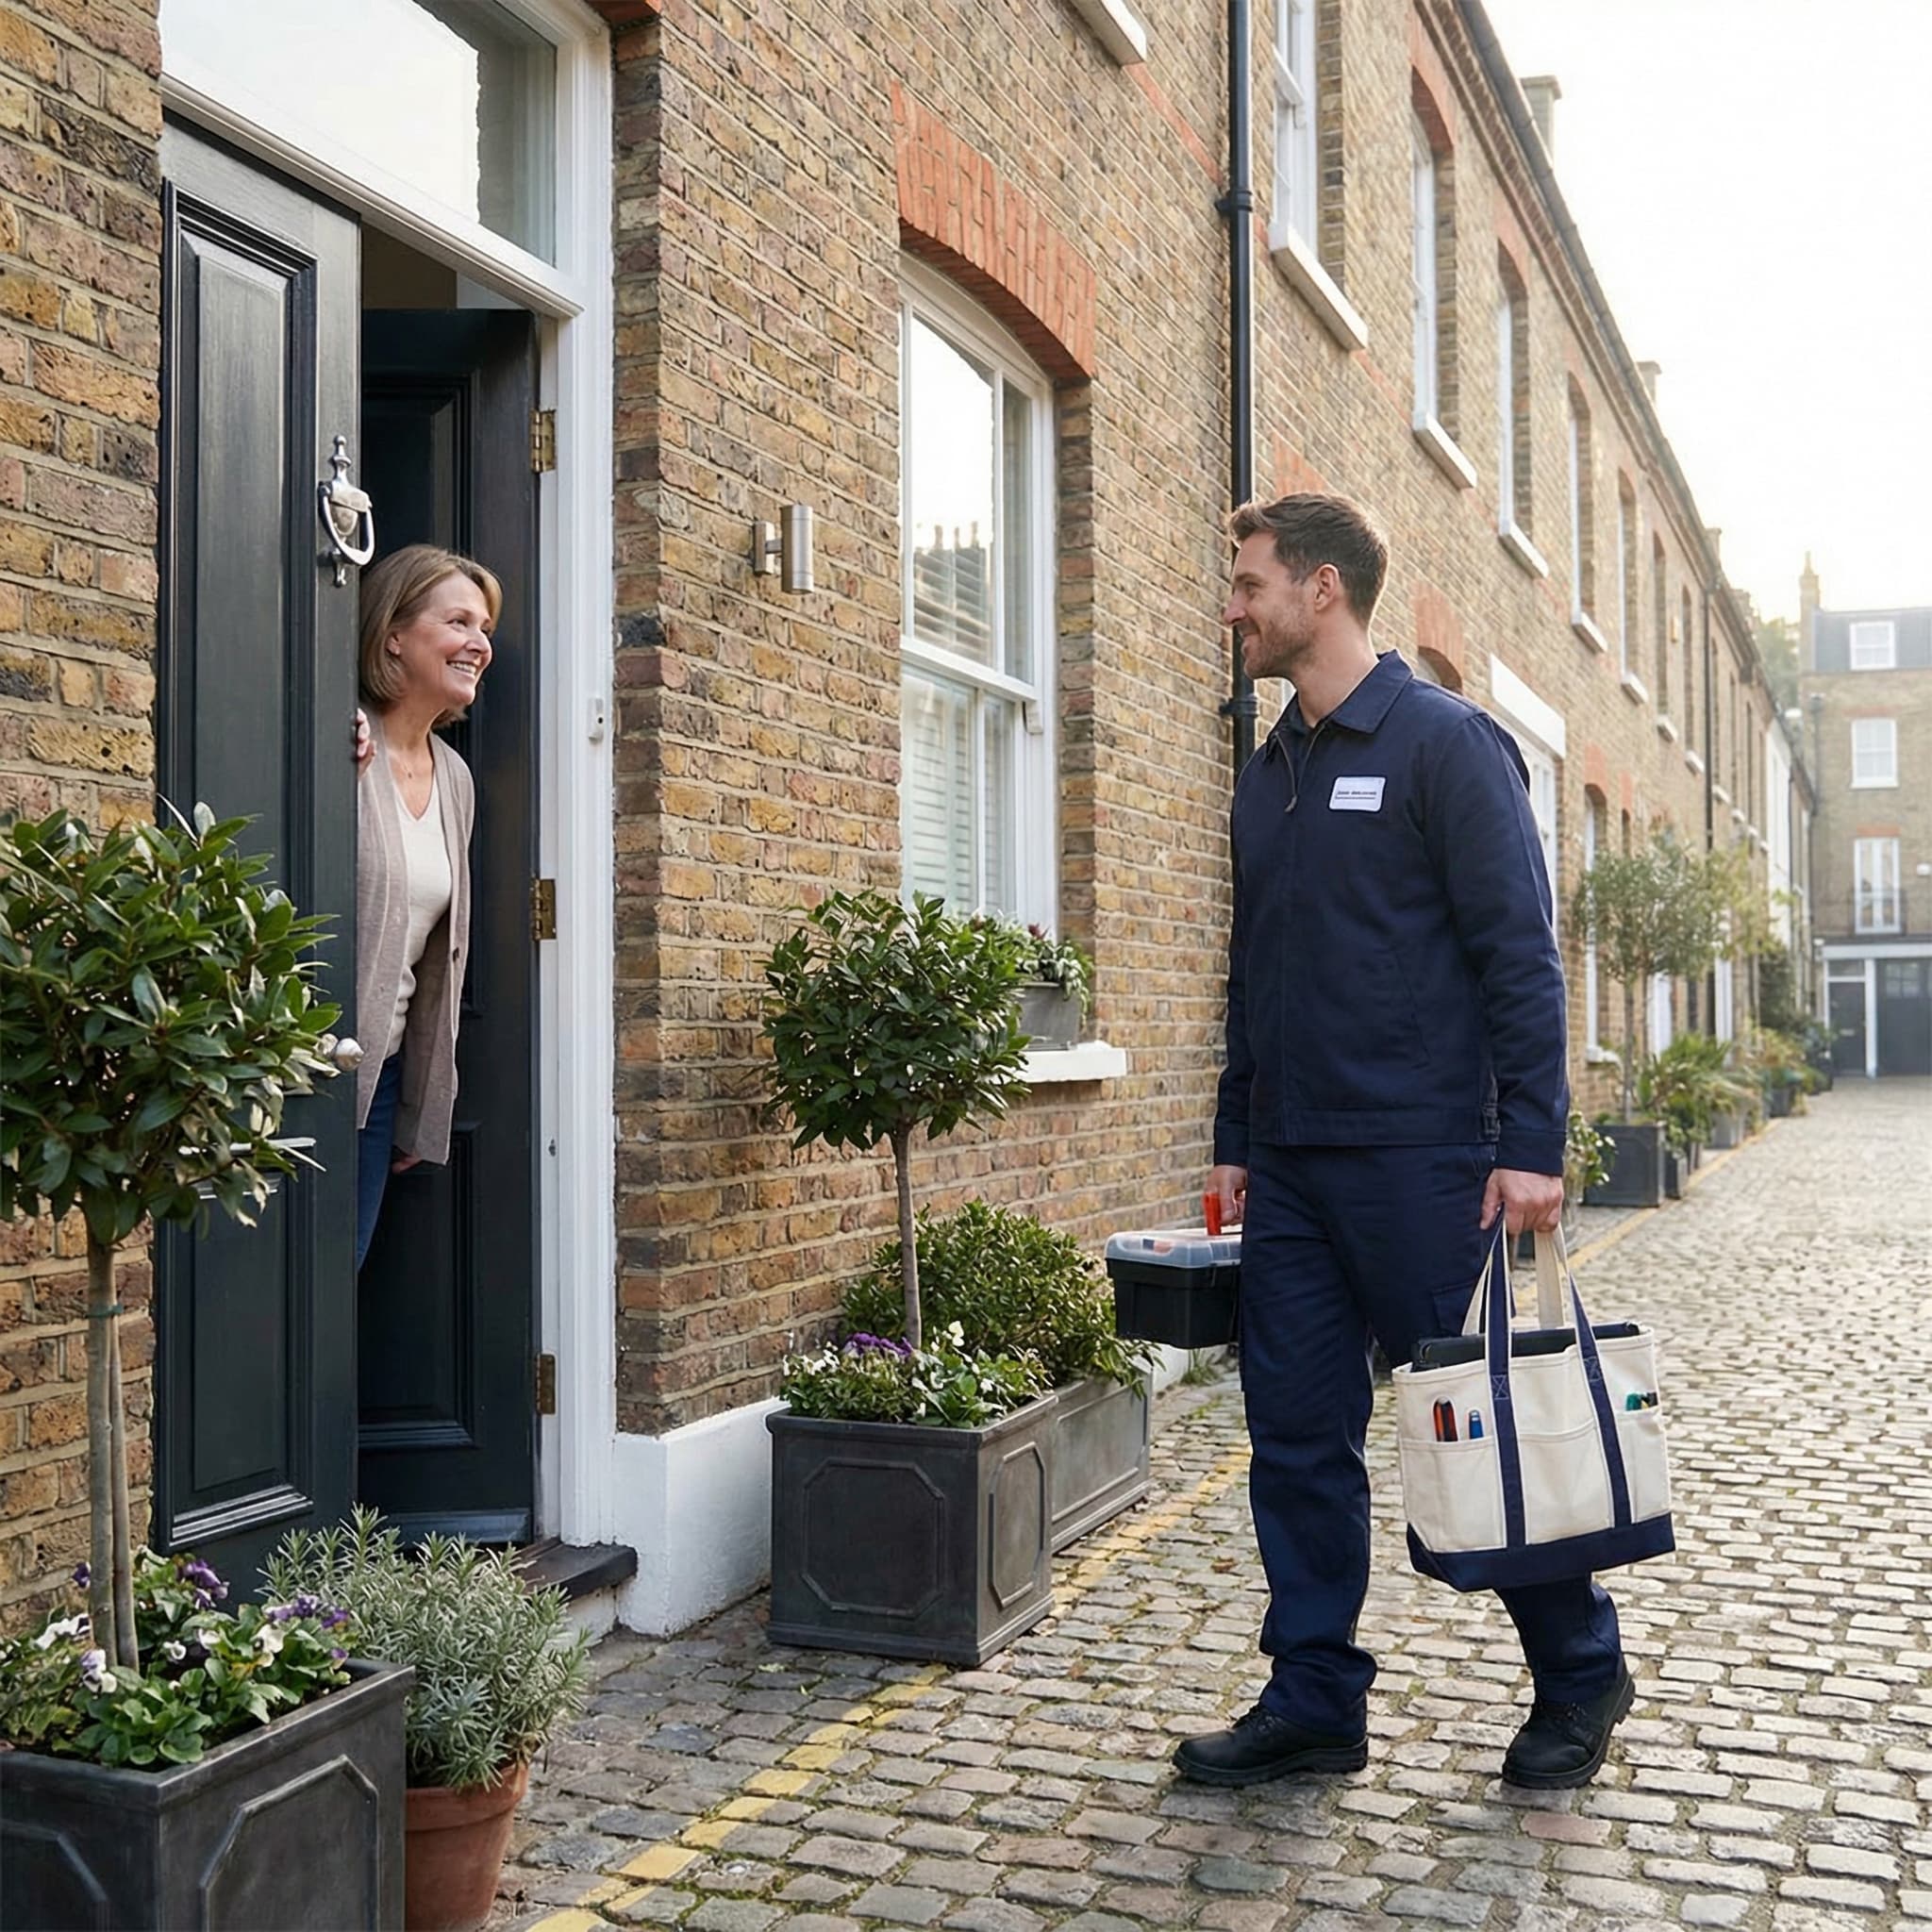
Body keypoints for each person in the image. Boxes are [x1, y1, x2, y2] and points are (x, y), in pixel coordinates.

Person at [1175, 493, 1632, 1792]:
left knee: (1482, 1426)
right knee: (1296, 1440)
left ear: (1322, 591)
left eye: (1251, 581)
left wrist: (1533, 1143)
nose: (1235, 603)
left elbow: (1520, 958)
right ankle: (1315, 1696)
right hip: (1298, 1172)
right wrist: (1234, 1132)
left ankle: (1583, 1673)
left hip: (1433, 1161)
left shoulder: (1445, 746)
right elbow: (1250, 973)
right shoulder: (1270, 774)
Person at [351, 545, 496, 1273]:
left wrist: (420, 1102)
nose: (480, 642)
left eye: (485, 626)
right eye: (459, 621)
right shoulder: (342, 740)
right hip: (306, 1073)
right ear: (394, 635)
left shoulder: (457, 779)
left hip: (381, 1082)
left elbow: (440, 962)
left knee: (337, 1288)